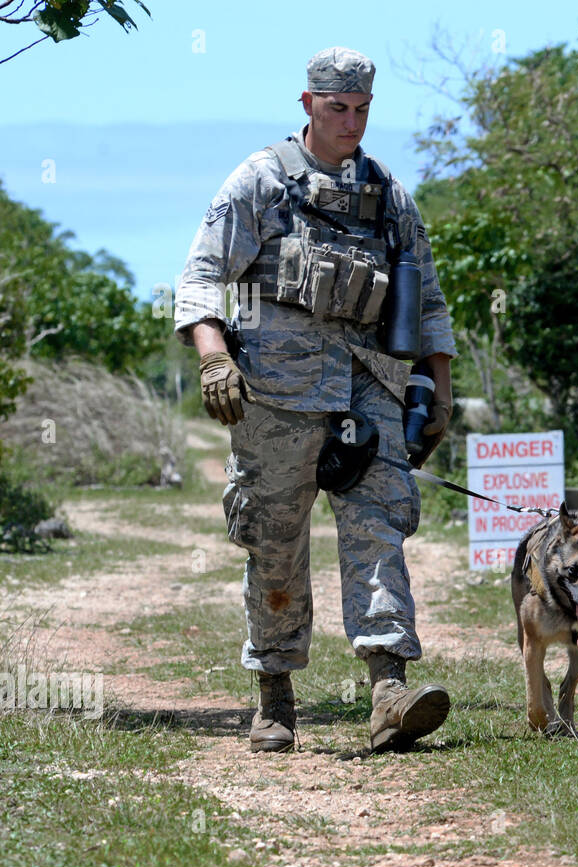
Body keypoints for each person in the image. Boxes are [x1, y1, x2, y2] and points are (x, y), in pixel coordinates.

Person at [174, 47, 457, 753]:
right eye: (338, 109)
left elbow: (426, 295)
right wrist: (214, 358)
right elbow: (203, 276)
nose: (351, 122)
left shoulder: (386, 192)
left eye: (362, 110)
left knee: (379, 525)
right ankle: (274, 692)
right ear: (308, 104)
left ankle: (389, 687)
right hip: (276, 390)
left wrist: (440, 385)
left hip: (368, 386)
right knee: (274, 541)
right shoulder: (261, 180)